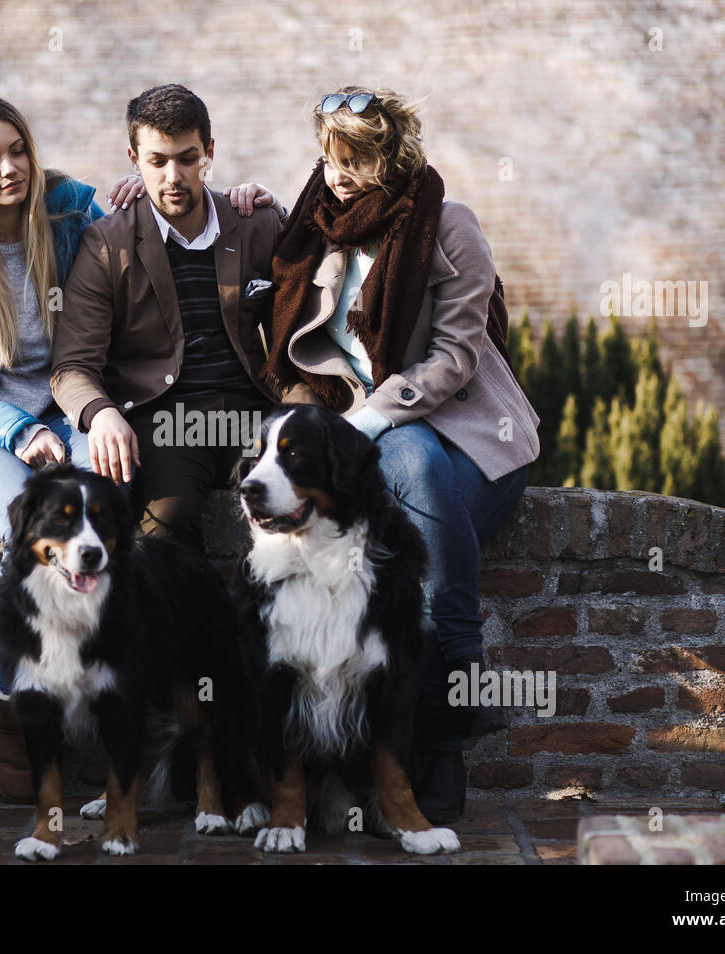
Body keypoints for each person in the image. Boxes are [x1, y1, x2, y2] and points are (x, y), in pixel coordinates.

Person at [0, 91, 275, 801]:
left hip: (58, 407)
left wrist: (239, 197)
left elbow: (154, 220)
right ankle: (6, 700)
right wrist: (17, 430)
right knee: (33, 531)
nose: (9, 168)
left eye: (18, 151)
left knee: (108, 504)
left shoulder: (70, 208)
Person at [261, 86, 542, 822]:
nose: (338, 176)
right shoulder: (318, 229)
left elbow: (455, 359)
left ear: (393, 158)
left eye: (354, 161)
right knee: (401, 548)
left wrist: (369, 419)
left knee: (410, 469)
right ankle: (445, 726)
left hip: (473, 441)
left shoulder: (447, 226)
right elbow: (226, 220)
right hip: (375, 440)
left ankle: (447, 706)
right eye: (328, 159)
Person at [51, 84, 284, 556]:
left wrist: (305, 410)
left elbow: (302, 333)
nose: (173, 176)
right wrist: (100, 414)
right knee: (167, 535)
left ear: (209, 153)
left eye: (187, 158)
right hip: (165, 421)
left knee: (302, 517)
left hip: (255, 415)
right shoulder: (106, 244)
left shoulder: (257, 223)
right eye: (157, 161)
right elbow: (72, 365)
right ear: (134, 158)